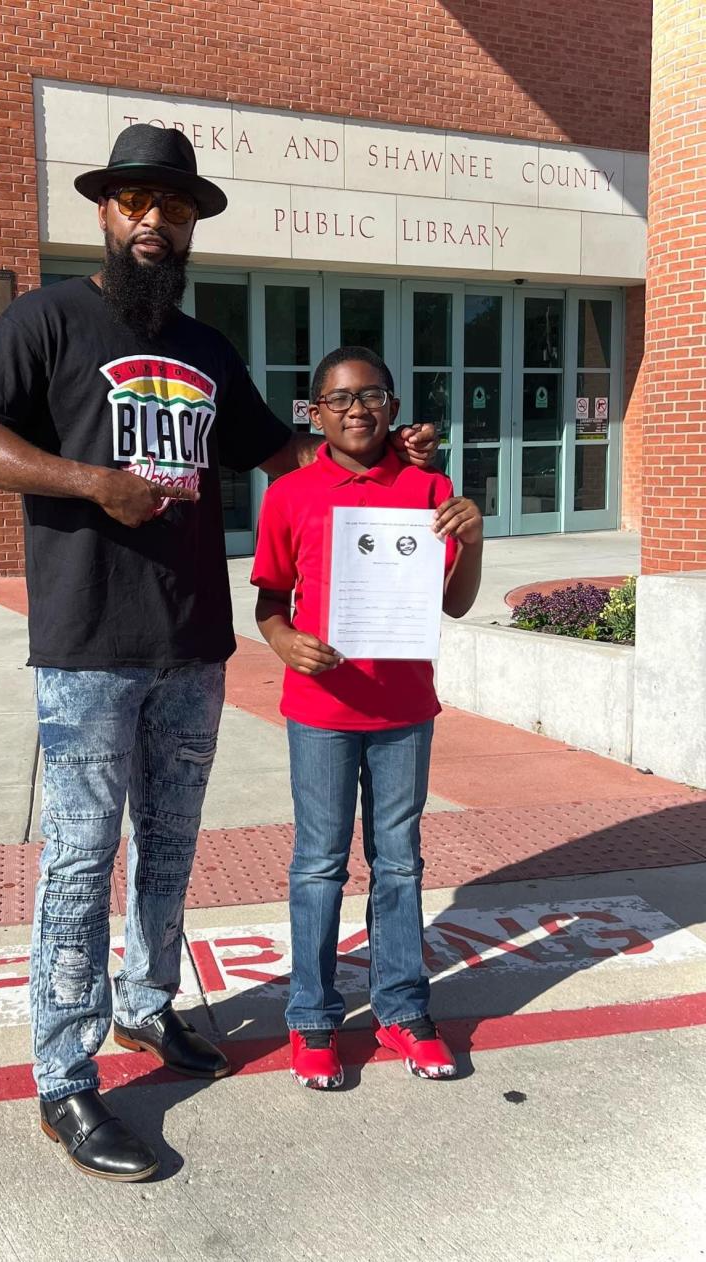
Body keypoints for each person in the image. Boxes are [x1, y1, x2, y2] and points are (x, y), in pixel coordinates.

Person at [0, 125, 438, 1181]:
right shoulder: (47, 320)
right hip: (86, 646)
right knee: (81, 859)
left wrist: (386, 448)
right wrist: (92, 481)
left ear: (192, 223)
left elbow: (292, 452)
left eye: (174, 206)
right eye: (136, 201)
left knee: (169, 847)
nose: (155, 221)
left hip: (192, 644)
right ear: (106, 213)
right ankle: (64, 1079)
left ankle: (147, 1005)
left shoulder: (209, 349)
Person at [251, 346, 482, 1090]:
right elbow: (268, 604)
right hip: (320, 709)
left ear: (393, 405)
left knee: (400, 863)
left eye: (373, 395)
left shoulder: (428, 487)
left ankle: (402, 1008)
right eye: (341, 399)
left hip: (404, 711)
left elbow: (455, 602)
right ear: (314, 413)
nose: (358, 409)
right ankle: (313, 1017)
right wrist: (287, 643)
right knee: (319, 864)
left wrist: (470, 542)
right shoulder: (290, 493)